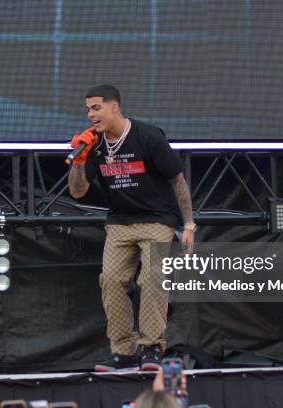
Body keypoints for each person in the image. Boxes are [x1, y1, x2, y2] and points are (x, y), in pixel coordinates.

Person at [68, 85, 196, 371]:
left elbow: (178, 180)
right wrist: (79, 161)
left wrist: (188, 223)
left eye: (96, 107)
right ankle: (123, 351)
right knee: (110, 280)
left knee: (152, 278)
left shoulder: (147, 136)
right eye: (88, 109)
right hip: (119, 223)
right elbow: (78, 192)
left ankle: (151, 348)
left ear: (114, 107)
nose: (91, 114)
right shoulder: (94, 145)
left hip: (157, 220)